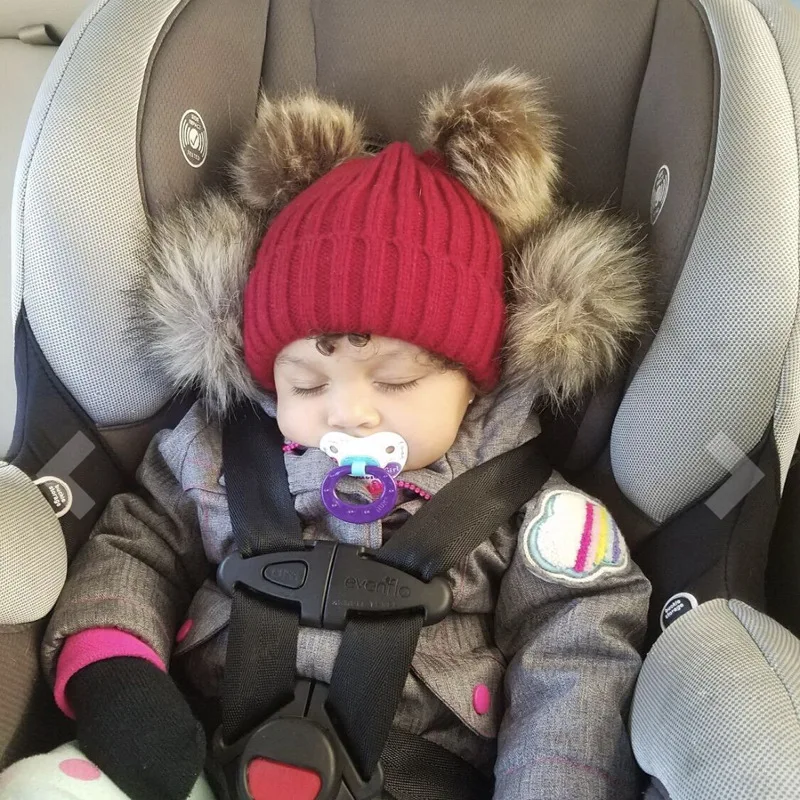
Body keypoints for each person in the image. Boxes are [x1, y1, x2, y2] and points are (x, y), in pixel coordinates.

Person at [0, 69, 651, 800]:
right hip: (198, 757)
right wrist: (120, 677)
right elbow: (137, 547)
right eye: (307, 383)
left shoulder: (528, 508)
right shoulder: (215, 455)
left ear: (476, 381)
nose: (349, 412)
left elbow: (575, 649)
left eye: (397, 380)